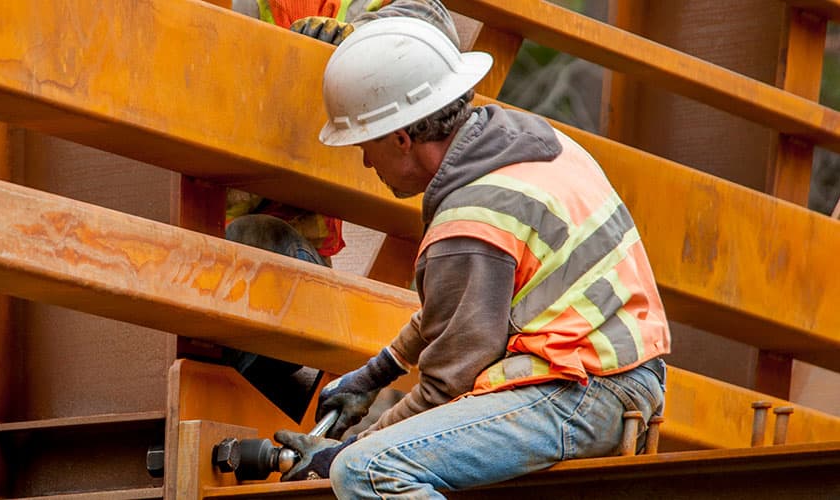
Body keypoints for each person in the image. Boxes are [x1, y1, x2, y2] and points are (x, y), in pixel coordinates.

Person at [269, 15, 673, 499]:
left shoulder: (471, 218)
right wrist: (376, 374)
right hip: (611, 382)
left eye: (366, 145)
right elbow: (459, 308)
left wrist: (347, 451)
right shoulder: (531, 144)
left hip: (579, 395)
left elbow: (446, 386)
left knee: (366, 472)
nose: (365, 163)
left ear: (401, 138)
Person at [219, 0, 463, 427]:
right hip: (217, 216)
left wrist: (360, 40)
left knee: (274, 260)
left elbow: (432, 28)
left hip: (286, 240)